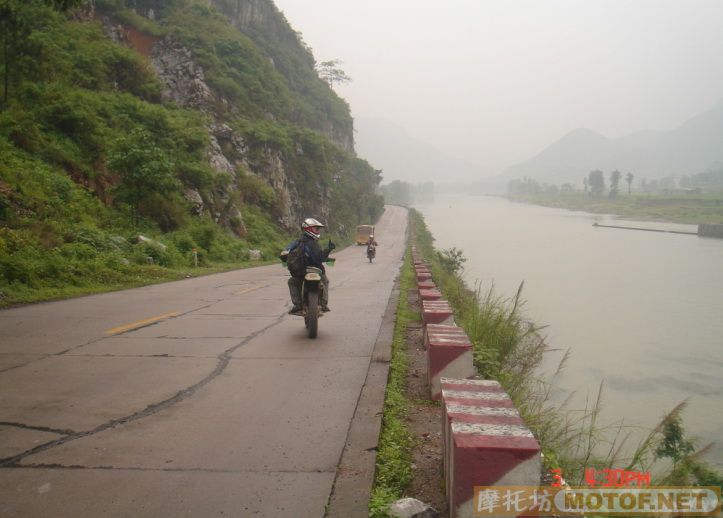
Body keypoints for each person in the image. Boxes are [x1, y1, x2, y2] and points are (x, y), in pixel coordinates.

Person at [280, 217, 335, 314]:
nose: (318, 231)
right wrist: (329, 249)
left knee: (292, 282)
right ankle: (323, 304)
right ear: (308, 229)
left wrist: (284, 257)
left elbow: (285, 252)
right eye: (316, 229)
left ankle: (297, 305)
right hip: (317, 271)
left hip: (300, 273)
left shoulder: (297, 242)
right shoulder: (313, 243)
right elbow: (319, 257)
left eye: (318, 229)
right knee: (325, 281)